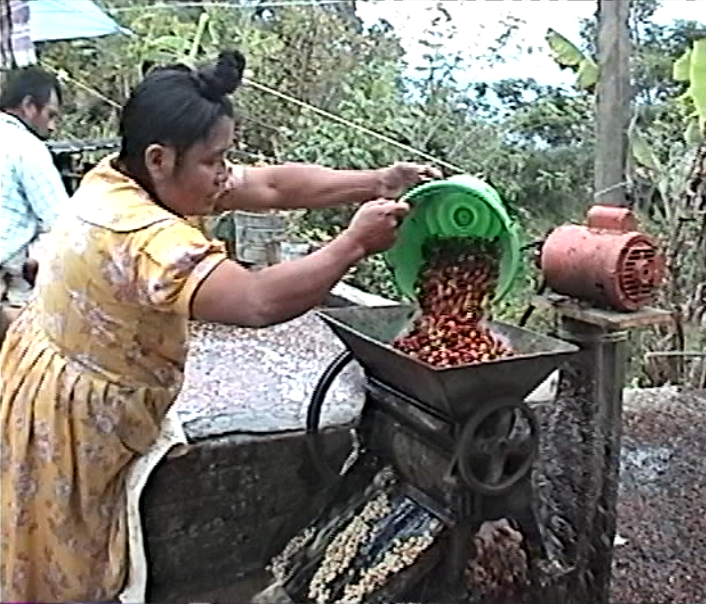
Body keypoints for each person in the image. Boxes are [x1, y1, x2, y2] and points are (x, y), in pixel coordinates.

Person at [0, 49, 440, 603]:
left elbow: (275, 187)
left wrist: (378, 180)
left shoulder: (125, 174)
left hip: (47, 355)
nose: (225, 174)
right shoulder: (140, 234)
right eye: (215, 160)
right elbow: (256, 301)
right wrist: (352, 244)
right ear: (161, 158)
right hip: (72, 409)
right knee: (70, 557)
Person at [0, 65, 69, 311]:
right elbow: (62, 222)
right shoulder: (27, 148)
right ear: (29, 106)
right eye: (50, 115)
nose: (52, 127)